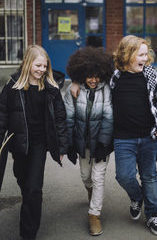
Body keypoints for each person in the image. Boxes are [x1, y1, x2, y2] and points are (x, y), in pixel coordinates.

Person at [0, 45, 68, 240]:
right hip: (18, 143)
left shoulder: (51, 88)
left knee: (33, 189)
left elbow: (60, 119)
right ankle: (29, 199)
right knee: (22, 178)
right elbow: (2, 115)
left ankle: (28, 234)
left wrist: (62, 145)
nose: (41, 70)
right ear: (28, 63)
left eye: (44, 66)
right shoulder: (13, 85)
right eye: (38, 65)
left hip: (40, 144)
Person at [110, 35, 157, 236]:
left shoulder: (150, 74)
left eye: (146, 54)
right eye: (141, 54)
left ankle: (153, 214)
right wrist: (75, 82)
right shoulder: (115, 76)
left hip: (148, 136)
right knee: (124, 176)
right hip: (123, 138)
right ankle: (137, 197)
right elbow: (90, 77)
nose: (145, 58)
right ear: (128, 55)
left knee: (149, 176)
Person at [64, 46, 113, 236]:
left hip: (100, 143)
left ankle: (94, 215)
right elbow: (68, 117)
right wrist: (69, 143)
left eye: (97, 76)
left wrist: (103, 144)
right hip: (82, 143)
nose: (93, 80)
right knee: (86, 176)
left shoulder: (106, 90)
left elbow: (109, 116)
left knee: (98, 177)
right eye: (89, 76)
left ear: (102, 74)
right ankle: (91, 192)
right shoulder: (73, 90)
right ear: (81, 74)